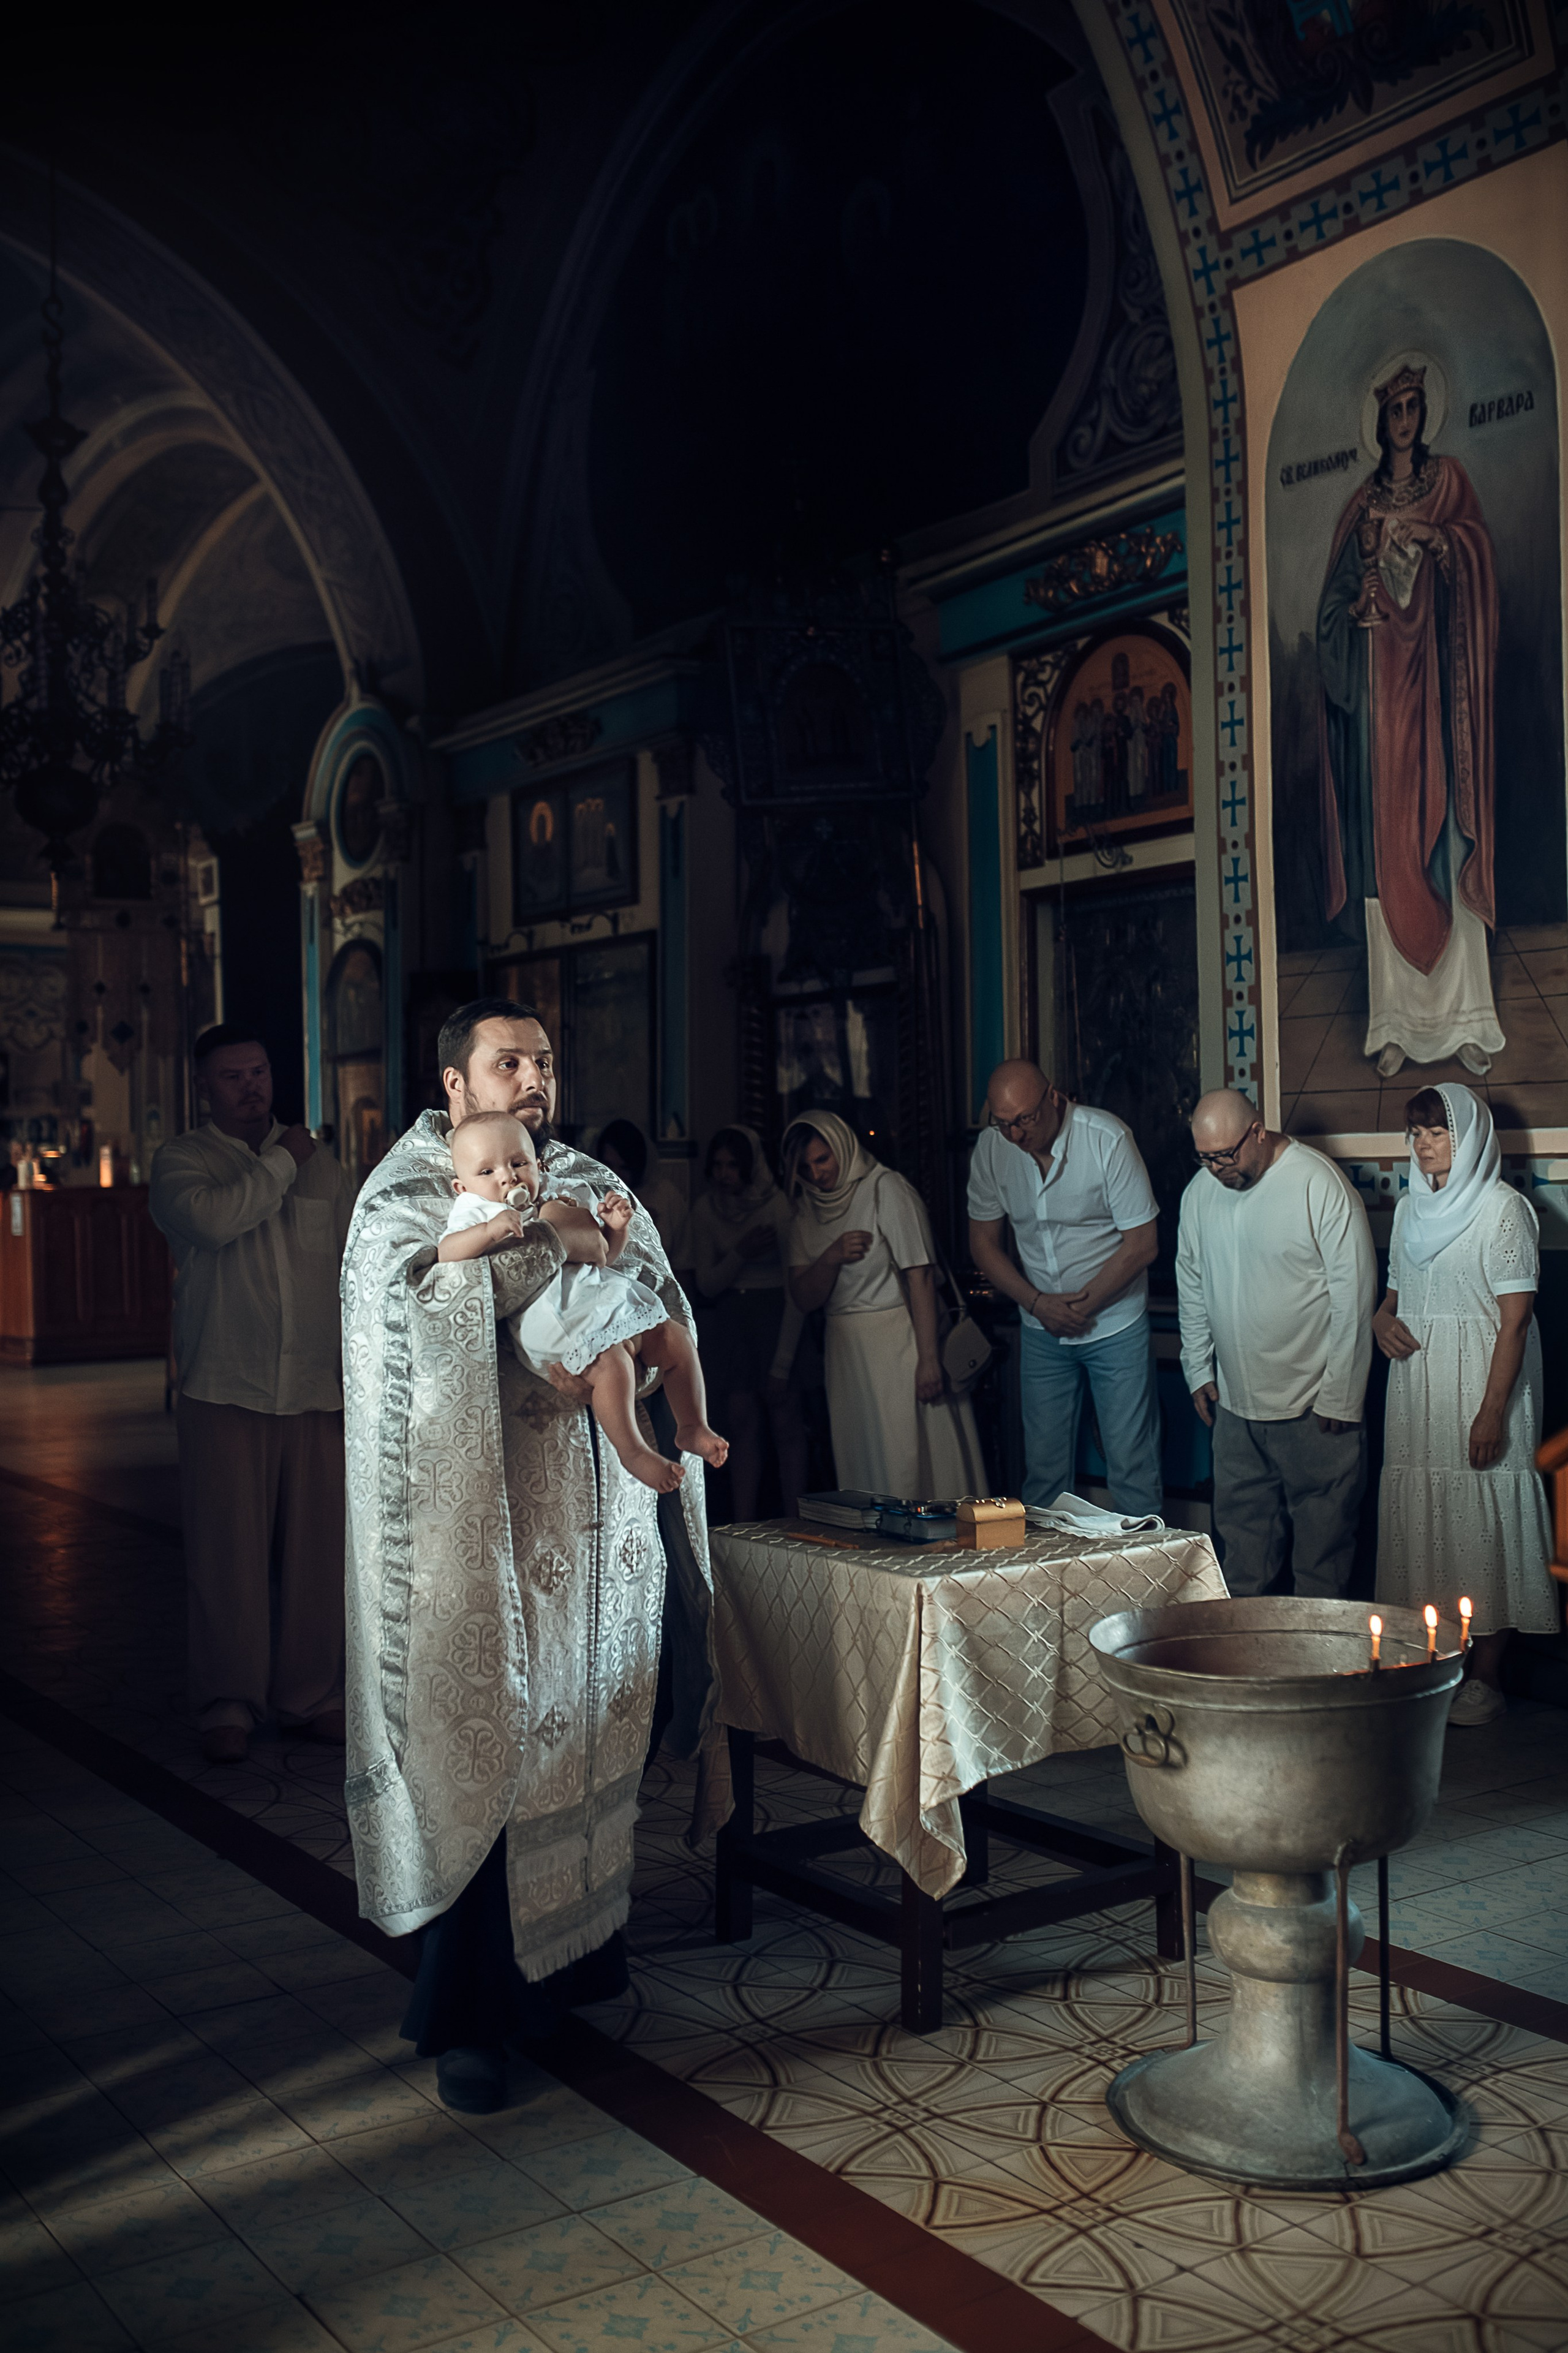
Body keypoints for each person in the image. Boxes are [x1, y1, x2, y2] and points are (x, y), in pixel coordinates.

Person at [340, 999, 715, 2118]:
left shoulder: (592, 1170)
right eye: (508, 1062)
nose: (533, 1079)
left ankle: (567, 1969)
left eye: (544, 1062)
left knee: (586, 1736)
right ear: (454, 1082)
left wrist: (634, 1373)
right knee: (488, 1750)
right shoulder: (399, 1195)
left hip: (590, 1525)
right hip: (481, 1535)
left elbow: (656, 1300)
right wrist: (550, 1241)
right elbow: (405, 1323)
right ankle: (469, 2022)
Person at [149, 1023, 355, 1765]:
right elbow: (212, 1221)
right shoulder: (183, 1161)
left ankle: (312, 1694)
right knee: (224, 1554)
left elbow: (347, 1263)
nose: (251, 1086)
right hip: (225, 1381)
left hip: (315, 1385)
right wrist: (281, 1159)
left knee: (319, 1552)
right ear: (205, 1086)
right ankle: (228, 1700)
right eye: (233, 1076)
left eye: (259, 1071)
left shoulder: (322, 1164)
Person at [1317, 358, 1502, 1078]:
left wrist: (1441, 545)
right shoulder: (1361, 506)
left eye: (1414, 408)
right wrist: (1358, 603)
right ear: (1380, 422)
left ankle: (1468, 1024)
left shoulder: (1449, 482)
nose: (1406, 421)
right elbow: (1331, 608)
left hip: (1439, 692)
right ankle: (1392, 1025)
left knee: (1446, 842)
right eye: (1395, 410)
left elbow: (1480, 561)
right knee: (1388, 850)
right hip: (1381, 704)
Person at [1374, 1086, 1558, 1726]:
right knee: (1431, 1524)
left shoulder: (1504, 1211)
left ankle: (1485, 1677)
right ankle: (1437, 1665)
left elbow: (1514, 1323)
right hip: (1418, 1387)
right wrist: (1378, 1320)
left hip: (1480, 1383)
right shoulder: (1407, 1210)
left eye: (1436, 1132)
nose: (1423, 1145)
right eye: (1415, 1134)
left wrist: (1490, 1412)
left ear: (1469, 1137)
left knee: (1483, 1521)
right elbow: (1392, 1296)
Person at [439, 1108, 726, 1492]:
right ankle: (633, 1451)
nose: (508, 1176)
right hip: (557, 1315)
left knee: (675, 1338)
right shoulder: (476, 1209)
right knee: (614, 1365)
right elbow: (447, 1252)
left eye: (519, 1163)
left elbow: (605, 1254)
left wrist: (615, 1228)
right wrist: (489, 1230)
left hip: (601, 1298)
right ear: (462, 1187)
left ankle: (692, 1425)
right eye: (487, 1172)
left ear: (538, 1166)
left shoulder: (561, 1192)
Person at [1177, 1089, 1375, 1598]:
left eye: (1228, 1154)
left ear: (1259, 1131)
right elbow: (1192, 1283)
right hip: (1236, 1409)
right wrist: (1198, 1367)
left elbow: (1353, 1294)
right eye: (1206, 1156)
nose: (1218, 1168)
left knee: (1321, 1563)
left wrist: (1342, 1393)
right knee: (1243, 1561)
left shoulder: (1318, 1182)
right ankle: (1248, 1673)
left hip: (1314, 1405)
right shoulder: (1199, 1193)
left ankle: (1320, 1673)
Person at [968, 1060, 1162, 1517]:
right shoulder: (992, 1149)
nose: (1014, 1134)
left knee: (1133, 1468)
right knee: (1043, 1475)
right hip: (1041, 1332)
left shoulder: (1107, 1138)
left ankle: (1153, 1586)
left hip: (1116, 1325)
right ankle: (1049, 1585)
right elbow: (982, 1244)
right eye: (1002, 1123)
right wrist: (1038, 1304)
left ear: (1054, 1098)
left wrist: (1079, 1306)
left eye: (1024, 1119)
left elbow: (1143, 1245)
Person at [783, 1111, 984, 1498]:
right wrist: (830, 1258)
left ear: (843, 1147)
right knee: (862, 1449)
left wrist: (928, 1360)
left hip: (900, 1342)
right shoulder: (806, 1210)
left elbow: (920, 1275)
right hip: (846, 1348)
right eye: (805, 1167)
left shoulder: (885, 1188)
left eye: (823, 1159)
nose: (817, 1173)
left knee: (908, 1449)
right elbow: (802, 1297)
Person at [685, 1125, 807, 1520]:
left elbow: (796, 1287)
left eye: (733, 1166)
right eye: (717, 1165)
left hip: (776, 1316)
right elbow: (707, 1283)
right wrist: (740, 1252)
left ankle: (795, 1519)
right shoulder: (706, 1209)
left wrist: (783, 1362)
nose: (724, 1174)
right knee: (740, 1425)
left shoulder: (777, 1207)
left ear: (752, 1167)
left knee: (787, 1423)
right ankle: (744, 1523)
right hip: (732, 1321)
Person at [595, 1119, 688, 1266]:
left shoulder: (666, 1195)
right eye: (609, 1166)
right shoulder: (592, 1194)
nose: (615, 1175)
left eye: (624, 1168)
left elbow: (684, 1260)